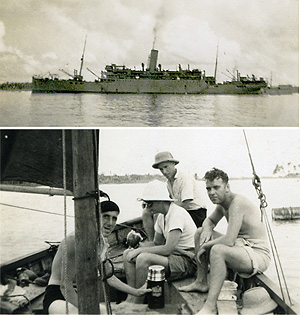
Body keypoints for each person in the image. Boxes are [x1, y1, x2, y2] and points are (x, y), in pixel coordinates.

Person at [179, 168, 271, 315]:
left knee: (217, 250)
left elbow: (228, 240)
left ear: (227, 187)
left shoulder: (237, 203)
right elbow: (209, 221)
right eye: (208, 188)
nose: (211, 193)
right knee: (199, 233)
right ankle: (201, 282)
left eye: (216, 187)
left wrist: (206, 246)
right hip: (241, 247)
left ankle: (210, 306)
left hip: (257, 254)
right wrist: (208, 228)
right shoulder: (223, 205)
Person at [43, 200, 151, 314]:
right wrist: (88, 310)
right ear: (95, 216)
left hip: (81, 295)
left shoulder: (101, 242)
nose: (110, 223)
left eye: (114, 218)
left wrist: (136, 292)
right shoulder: (74, 240)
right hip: (58, 296)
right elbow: (65, 287)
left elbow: (109, 277)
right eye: (106, 217)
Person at [123, 180, 197, 304]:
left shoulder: (176, 214)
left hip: (187, 261)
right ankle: (132, 296)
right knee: (127, 254)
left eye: (150, 204)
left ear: (161, 201)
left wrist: (140, 250)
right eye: (146, 204)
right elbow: (157, 243)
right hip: (174, 257)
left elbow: (168, 248)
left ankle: (137, 303)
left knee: (143, 258)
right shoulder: (162, 216)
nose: (147, 208)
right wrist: (136, 247)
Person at [143, 151, 207, 241]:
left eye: (166, 167)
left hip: (195, 213)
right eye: (161, 169)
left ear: (173, 163)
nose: (164, 171)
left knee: (159, 215)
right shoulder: (168, 182)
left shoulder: (184, 178)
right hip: (180, 212)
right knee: (147, 212)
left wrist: (164, 211)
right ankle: (153, 241)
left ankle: (163, 242)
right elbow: (169, 202)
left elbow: (185, 205)